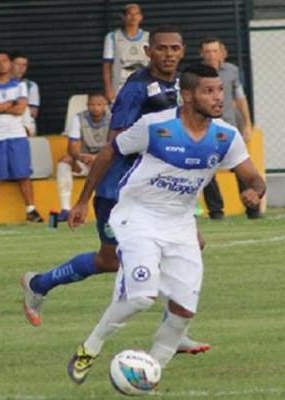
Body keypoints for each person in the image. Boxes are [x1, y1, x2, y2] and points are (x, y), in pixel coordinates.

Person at [65, 63, 266, 384]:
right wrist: (82, 200)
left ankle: (146, 376)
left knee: (184, 310)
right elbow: (109, 153)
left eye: (220, 91)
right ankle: (90, 348)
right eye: (209, 91)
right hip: (137, 216)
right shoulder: (154, 126)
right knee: (141, 297)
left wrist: (254, 191)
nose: (218, 98)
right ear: (187, 96)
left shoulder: (225, 136)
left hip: (180, 224)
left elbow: (253, 176)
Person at [21, 25, 209, 354]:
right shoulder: (135, 90)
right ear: (148, 52)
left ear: (182, 51)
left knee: (162, 250)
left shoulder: (183, 85)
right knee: (129, 258)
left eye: (175, 48)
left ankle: (40, 283)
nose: (168, 54)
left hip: (156, 190)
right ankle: (39, 283)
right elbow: (114, 146)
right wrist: (83, 200)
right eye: (162, 48)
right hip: (120, 191)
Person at [0, 50, 43, 224]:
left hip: (17, 134)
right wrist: (10, 104)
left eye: (5, 61)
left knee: (23, 174)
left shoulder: (20, 85)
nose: (1, 64)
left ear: (10, 63)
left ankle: (31, 209)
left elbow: (21, 108)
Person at [199, 37, 260, 220]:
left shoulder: (232, 71)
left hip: (229, 128)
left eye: (214, 51)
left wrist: (247, 124)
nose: (211, 55)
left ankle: (252, 209)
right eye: (207, 51)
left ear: (222, 53)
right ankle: (216, 212)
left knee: (241, 169)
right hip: (205, 129)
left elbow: (240, 98)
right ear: (202, 54)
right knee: (206, 172)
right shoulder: (197, 74)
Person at [56, 92, 110, 221]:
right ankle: (65, 209)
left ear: (105, 106)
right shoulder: (79, 118)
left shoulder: (113, 118)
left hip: (107, 160)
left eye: (99, 104)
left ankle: (108, 210)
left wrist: (98, 158)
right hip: (86, 160)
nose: (95, 107)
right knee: (64, 161)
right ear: (87, 105)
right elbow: (72, 146)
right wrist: (81, 158)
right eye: (92, 104)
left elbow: (115, 144)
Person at [102, 3, 149, 102]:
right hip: (120, 84)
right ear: (123, 17)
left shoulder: (148, 37)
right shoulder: (112, 37)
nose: (133, 17)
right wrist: (108, 88)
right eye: (130, 14)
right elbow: (107, 66)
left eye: (136, 14)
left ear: (141, 17)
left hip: (143, 83)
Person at [10, 51, 40, 135]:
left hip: (21, 121)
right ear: (10, 65)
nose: (21, 68)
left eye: (24, 65)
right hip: (1, 122)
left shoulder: (31, 85)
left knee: (27, 111)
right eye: (18, 64)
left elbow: (33, 112)